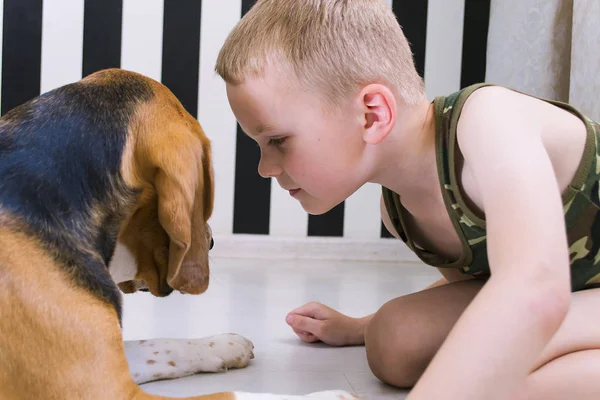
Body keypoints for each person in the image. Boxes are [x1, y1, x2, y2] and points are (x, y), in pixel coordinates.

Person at [214, 1, 600, 399]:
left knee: (505, 376)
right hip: (581, 298)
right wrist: (365, 326)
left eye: (276, 140)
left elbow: (534, 286)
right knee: (395, 341)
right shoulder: (400, 212)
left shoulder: (489, 120)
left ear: (372, 114)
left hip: (557, 295)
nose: (264, 168)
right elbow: (481, 290)